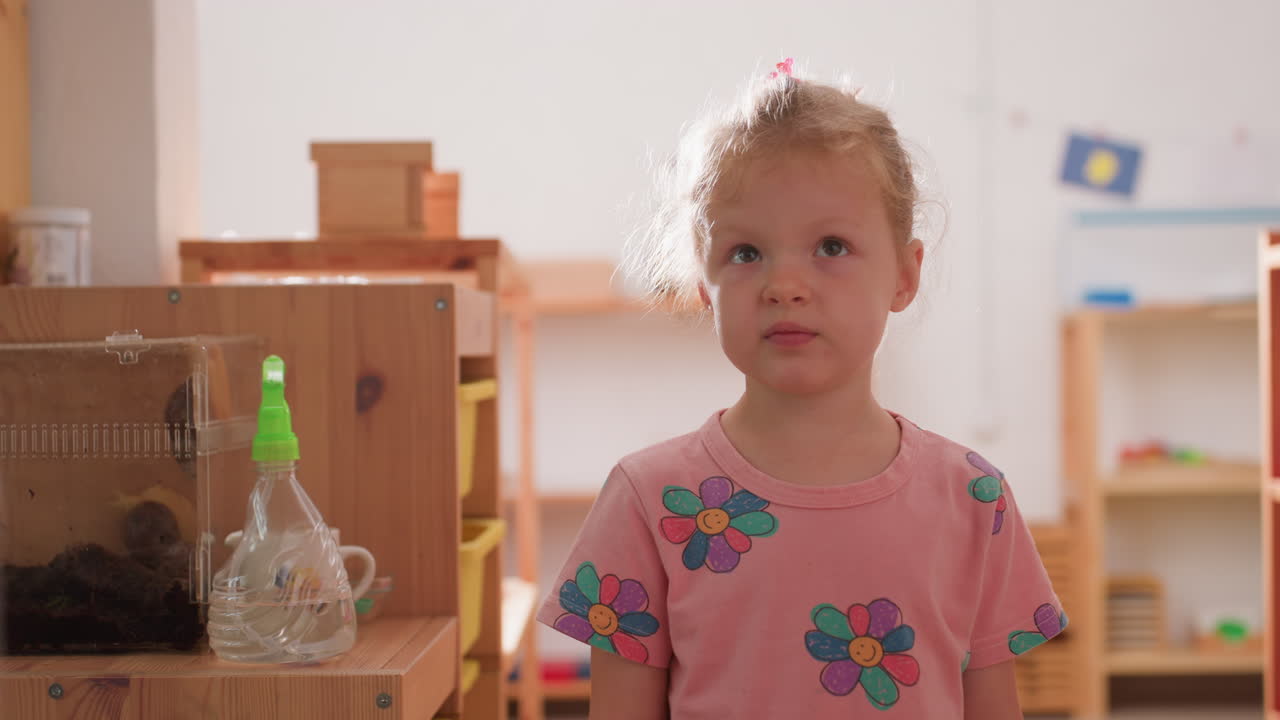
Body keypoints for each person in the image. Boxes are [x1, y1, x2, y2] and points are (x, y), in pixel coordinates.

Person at [535, 58, 1065, 719]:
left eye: (832, 247)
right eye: (746, 253)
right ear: (705, 285)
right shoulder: (648, 501)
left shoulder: (972, 496)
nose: (785, 284)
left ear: (905, 273)